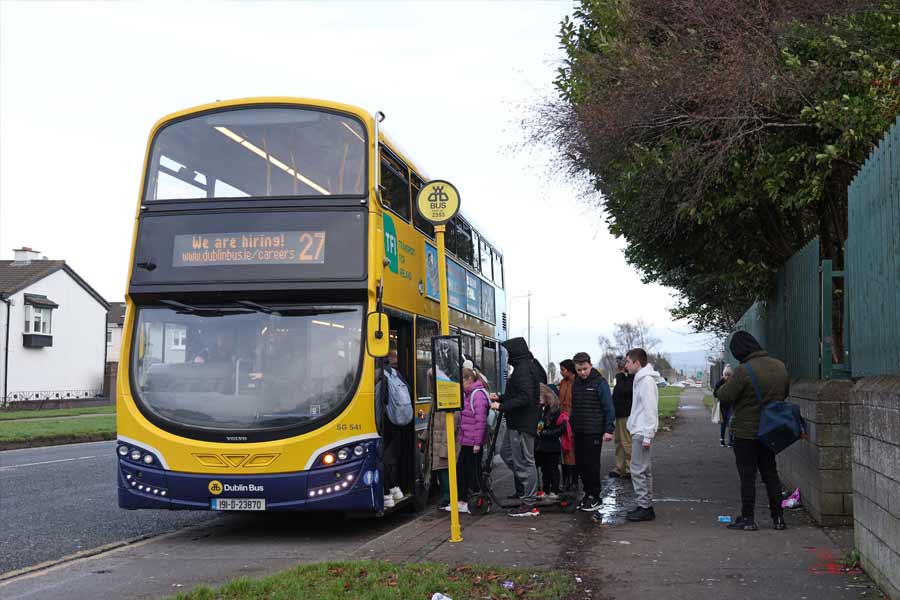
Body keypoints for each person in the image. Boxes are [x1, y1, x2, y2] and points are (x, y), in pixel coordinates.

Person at [717, 331, 790, 532]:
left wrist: (727, 382)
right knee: (770, 474)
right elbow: (785, 393)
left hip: (746, 433)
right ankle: (778, 519)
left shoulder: (743, 370)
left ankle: (748, 519)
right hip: (770, 431)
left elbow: (725, 396)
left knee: (747, 476)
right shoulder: (779, 366)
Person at [489, 337, 543, 517]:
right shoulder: (523, 368)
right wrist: (501, 398)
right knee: (507, 454)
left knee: (524, 460)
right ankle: (530, 490)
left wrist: (502, 406)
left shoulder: (523, 370)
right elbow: (519, 394)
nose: (508, 355)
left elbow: (526, 397)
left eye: (509, 352)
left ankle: (529, 501)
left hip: (522, 423)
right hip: (518, 421)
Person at [569, 352, 615, 511]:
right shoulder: (576, 383)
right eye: (579, 369)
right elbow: (574, 407)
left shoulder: (599, 383)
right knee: (581, 464)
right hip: (579, 430)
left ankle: (596, 496)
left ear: (590, 365)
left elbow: (608, 407)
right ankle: (588, 493)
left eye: (585, 369)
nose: (582, 372)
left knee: (592, 464)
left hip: (594, 431)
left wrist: (609, 429)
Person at [621, 348, 660, 522]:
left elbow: (650, 409)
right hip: (641, 430)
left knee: (638, 470)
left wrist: (647, 435)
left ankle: (645, 507)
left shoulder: (645, 382)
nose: (626, 365)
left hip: (642, 431)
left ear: (637, 362)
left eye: (628, 362)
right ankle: (645, 505)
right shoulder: (642, 379)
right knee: (644, 470)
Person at [449, 366, 490, 514]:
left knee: (472, 472)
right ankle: (464, 500)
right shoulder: (470, 394)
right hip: (467, 440)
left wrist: (477, 444)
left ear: (469, 380)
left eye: (462, 381)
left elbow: (480, 422)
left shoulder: (477, 395)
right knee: (463, 470)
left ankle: (475, 501)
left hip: (472, 442)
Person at [535, 383, 566, 500]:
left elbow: (561, 429)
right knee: (545, 469)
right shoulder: (543, 408)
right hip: (542, 445)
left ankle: (554, 490)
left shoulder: (555, 409)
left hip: (551, 445)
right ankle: (546, 489)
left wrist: (544, 433)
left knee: (552, 469)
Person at [610, 357, 634, 479]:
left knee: (627, 442)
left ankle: (630, 468)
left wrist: (620, 376)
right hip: (619, 414)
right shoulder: (624, 378)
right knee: (619, 442)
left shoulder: (632, 378)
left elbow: (624, 391)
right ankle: (620, 468)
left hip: (627, 414)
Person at [557, 359, 577, 490]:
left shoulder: (576, 382)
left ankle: (574, 479)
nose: (561, 372)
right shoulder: (562, 383)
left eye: (563, 370)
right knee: (563, 450)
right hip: (562, 419)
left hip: (572, 419)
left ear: (570, 370)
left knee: (572, 450)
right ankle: (566, 479)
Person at [714, 364, 734, 447]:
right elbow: (715, 393)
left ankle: (731, 441)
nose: (727, 377)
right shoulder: (720, 383)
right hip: (722, 405)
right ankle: (722, 440)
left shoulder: (733, 383)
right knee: (723, 423)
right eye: (726, 375)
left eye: (729, 375)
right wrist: (721, 395)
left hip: (731, 406)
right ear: (723, 375)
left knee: (730, 423)